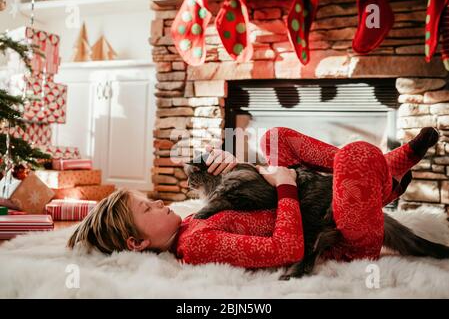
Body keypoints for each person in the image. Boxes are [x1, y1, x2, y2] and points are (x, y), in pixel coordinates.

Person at [67, 127, 439, 268]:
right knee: (356, 157)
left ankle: (387, 173)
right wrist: (286, 184)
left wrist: (236, 167)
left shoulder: (192, 220)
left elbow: (253, 198)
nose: (162, 202)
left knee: (274, 138)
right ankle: (387, 177)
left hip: (322, 196)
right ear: (137, 243)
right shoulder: (196, 245)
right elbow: (288, 249)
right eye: (149, 208)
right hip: (341, 232)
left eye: (152, 198)